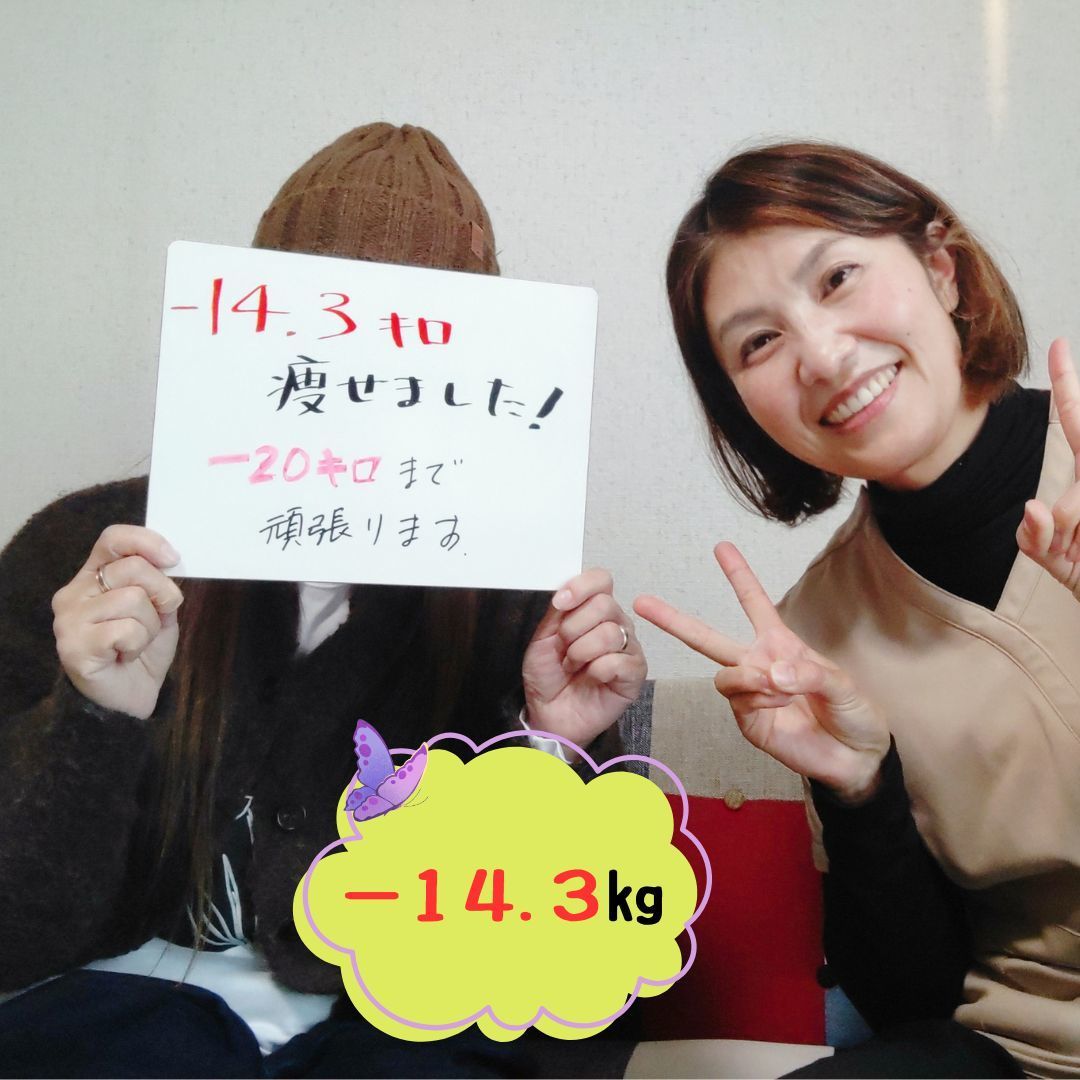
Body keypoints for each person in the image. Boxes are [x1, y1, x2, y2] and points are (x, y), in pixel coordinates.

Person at [0, 123, 646, 1078]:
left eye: (420, 332)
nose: (368, 376)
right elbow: (16, 933)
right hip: (113, 1014)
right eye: (325, 316)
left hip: (391, 1029)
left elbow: (594, 974)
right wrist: (94, 716)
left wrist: (554, 752)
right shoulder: (87, 555)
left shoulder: (521, 600)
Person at [635, 141, 1079, 1077]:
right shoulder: (815, 636)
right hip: (1031, 1051)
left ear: (942, 270)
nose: (824, 356)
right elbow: (912, 1004)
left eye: (837, 278)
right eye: (759, 342)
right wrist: (859, 789)